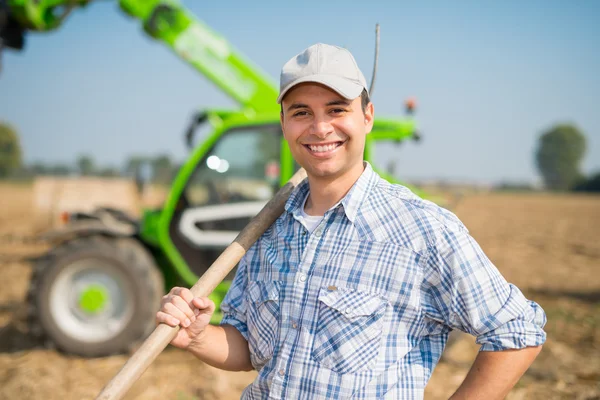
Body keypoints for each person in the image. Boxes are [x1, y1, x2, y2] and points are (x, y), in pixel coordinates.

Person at [156, 43, 547, 399]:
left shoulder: (422, 229)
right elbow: (249, 350)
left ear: (368, 117)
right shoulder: (267, 228)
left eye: (337, 110)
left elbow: (517, 333)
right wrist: (198, 335)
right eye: (301, 112)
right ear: (284, 124)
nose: (320, 128)